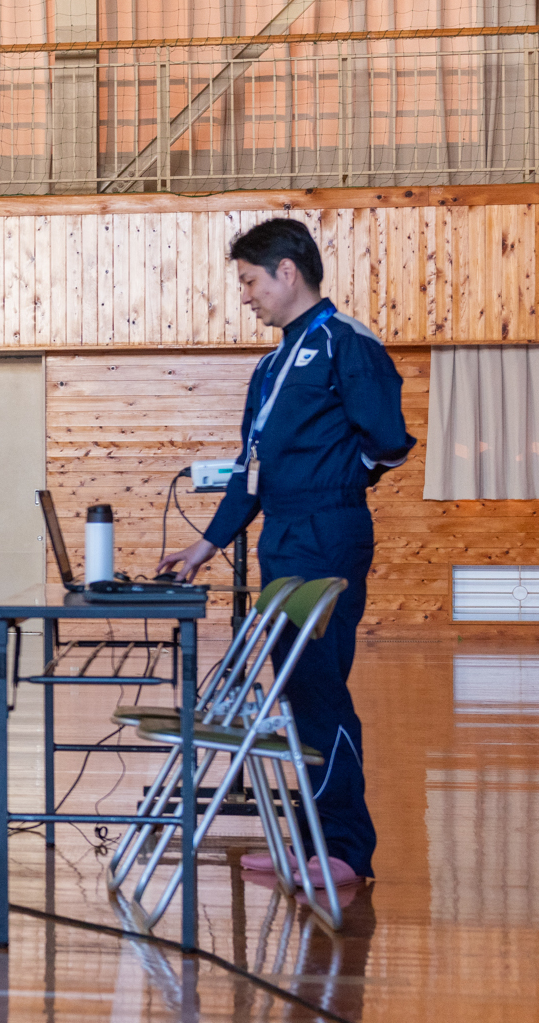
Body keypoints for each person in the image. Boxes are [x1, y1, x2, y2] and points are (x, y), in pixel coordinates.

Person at [159, 217, 415, 887]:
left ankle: (346, 850)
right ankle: (304, 843)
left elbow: (388, 438)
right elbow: (252, 470)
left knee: (320, 691)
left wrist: (338, 480)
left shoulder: (344, 343)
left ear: (287, 272)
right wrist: (207, 543)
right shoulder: (272, 365)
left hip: (327, 533)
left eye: (249, 281)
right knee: (296, 698)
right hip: (280, 539)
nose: (245, 295)